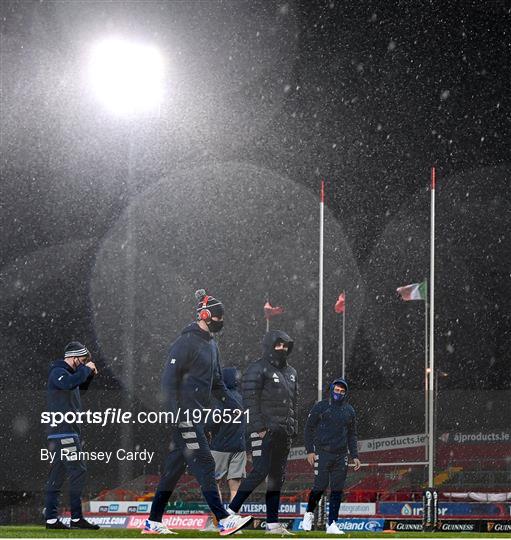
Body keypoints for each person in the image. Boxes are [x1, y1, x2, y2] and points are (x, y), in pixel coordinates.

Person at [144, 290, 252, 536]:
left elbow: (216, 383)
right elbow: (168, 381)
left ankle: (152, 522)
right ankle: (224, 519)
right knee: (205, 462)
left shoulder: (212, 345)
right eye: (218, 316)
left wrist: (234, 406)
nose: (221, 320)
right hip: (185, 416)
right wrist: (174, 413)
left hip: (198, 417)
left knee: (172, 471)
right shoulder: (185, 343)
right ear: (205, 315)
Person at [227, 330, 298, 536]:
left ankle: (273, 525)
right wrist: (259, 428)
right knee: (259, 471)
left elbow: (294, 403)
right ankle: (229, 513)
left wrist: (292, 428)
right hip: (263, 431)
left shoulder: (292, 372)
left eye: (285, 345)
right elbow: (249, 401)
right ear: (269, 345)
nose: (282, 349)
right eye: (278, 345)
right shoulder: (256, 368)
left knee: (277, 478)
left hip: (284, 433)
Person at [44, 341, 99, 530]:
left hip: (63, 432)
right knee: (78, 471)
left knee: (57, 475)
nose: (84, 364)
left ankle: (51, 520)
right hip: (64, 432)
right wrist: (85, 371)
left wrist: (88, 376)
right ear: (74, 358)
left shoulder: (70, 375)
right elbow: (68, 384)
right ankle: (76, 518)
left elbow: (78, 390)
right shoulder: (58, 372)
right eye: (82, 361)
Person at [301, 378, 361, 535]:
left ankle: (332, 524)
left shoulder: (349, 410)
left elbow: (352, 435)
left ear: (345, 393)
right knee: (319, 487)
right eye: (337, 390)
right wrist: (310, 451)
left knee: (337, 490)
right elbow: (308, 428)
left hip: (341, 456)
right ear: (331, 390)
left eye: (342, 391)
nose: (339, 393)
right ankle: (308, 514)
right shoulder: (321, 407)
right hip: (322, 453)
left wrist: (355, 455)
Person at [208, 367, 247, 502]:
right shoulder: (243, 399)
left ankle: (218, 518)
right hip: (239, 446)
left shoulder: (221, 399)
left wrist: (206, 428)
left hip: (220, 446)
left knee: (214, 483)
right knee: (235, 484)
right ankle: (234, 516)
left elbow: (213, 421)